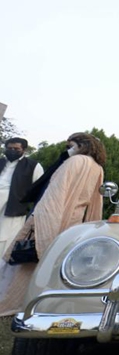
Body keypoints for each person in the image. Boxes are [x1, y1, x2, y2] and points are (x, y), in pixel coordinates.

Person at [0, 133, 106, 316]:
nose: (68, 149)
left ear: (81, 145)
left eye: (70, 145)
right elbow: (96, 202)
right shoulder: (98, 168)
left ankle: (14, 302)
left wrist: (42, 222)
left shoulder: (74, 162)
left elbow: (54, 196)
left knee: (25, 264)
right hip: (73, 223)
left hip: (52, 217)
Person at [0, 138, 43, 254]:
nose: (12, 151)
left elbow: (39, 189)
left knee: (6, 238)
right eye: (9, 148)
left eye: (16, 149)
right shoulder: (1, 162)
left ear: (24, 150)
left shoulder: (33, 166)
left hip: (14, 207)